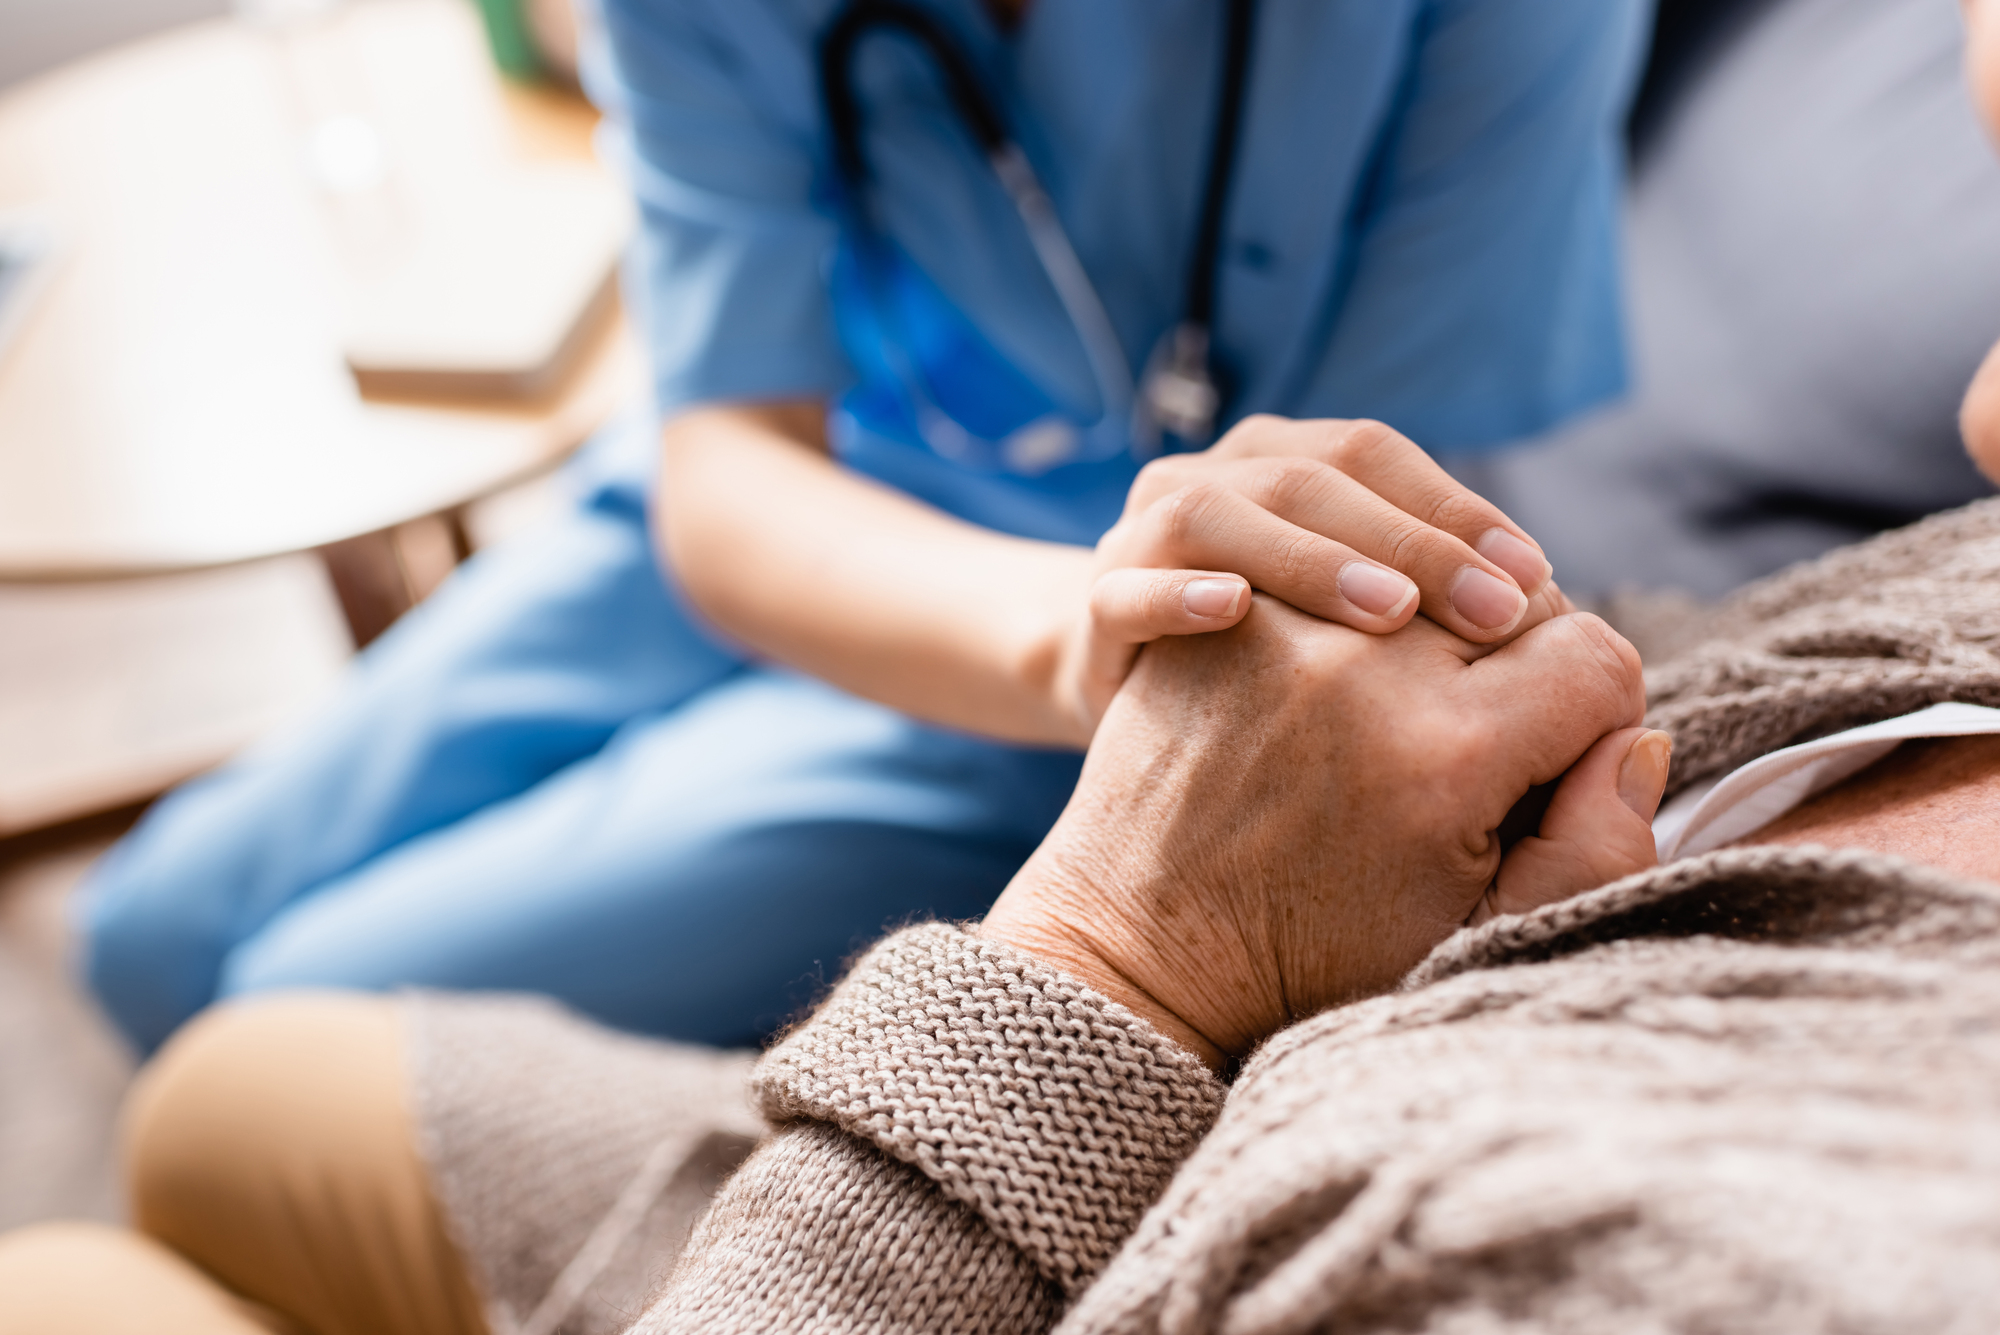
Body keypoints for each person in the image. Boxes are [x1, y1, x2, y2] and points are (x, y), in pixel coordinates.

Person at [74, 0, 1649, 1058]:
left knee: (283, 1026)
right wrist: (1068, 620)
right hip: (855, 537)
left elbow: (1367, 576)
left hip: (1138, 683)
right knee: (142, 936)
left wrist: (1116, 636)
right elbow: (729, 479)